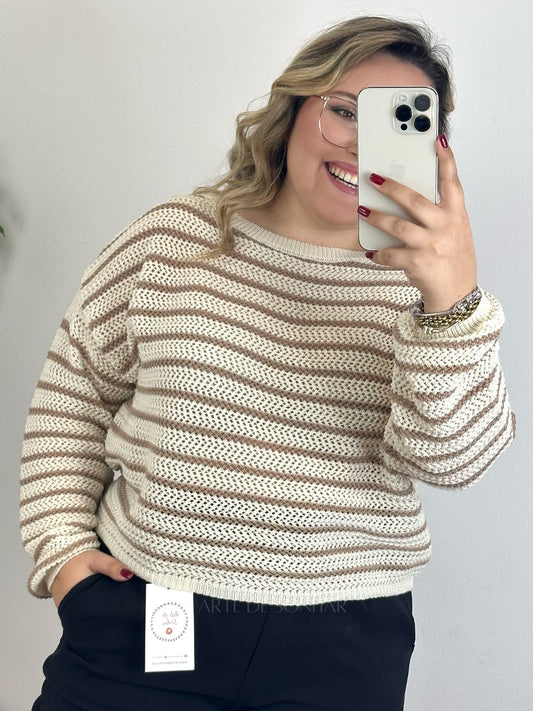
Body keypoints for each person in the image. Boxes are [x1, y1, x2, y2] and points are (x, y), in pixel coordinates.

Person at [21, 15, 515, 711]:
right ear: (293, 108)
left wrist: (451, 303)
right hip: (151, 611)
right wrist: (64, 556)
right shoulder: (173, 240)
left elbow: (452, 462)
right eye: (343, 111)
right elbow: (70, 402)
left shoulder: (429, 289)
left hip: (342, 643)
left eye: (394, 124)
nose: (358, 142)